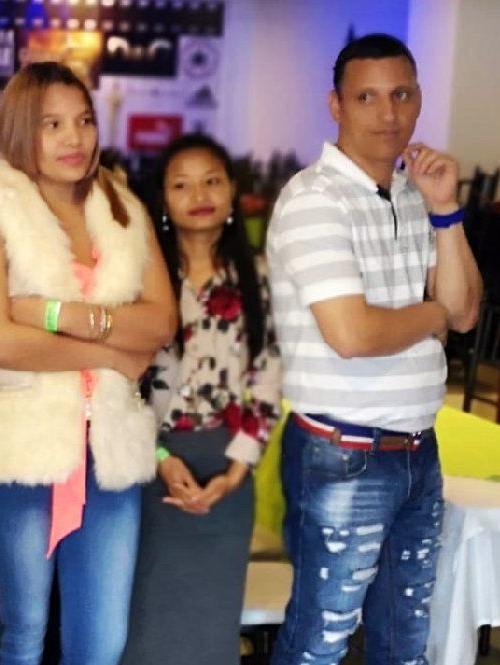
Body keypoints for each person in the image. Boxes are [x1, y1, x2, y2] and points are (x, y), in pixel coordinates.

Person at [0, 61, 177, 665]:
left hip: (108, 446)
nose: (73, 138)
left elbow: (160, 321)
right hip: (18, 446)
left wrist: (56, 315)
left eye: (83, 121)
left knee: (102, 640)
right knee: (23, 628)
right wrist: (109, 349)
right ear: (21, 128)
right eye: (52, 124)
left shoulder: (120, 206)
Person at [266, 34, 481, 664]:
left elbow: (466, 312)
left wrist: (446, 212)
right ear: (335, 105)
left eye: (401, 95)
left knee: (404, 644)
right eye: (367, 97)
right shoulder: (313, 200)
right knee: (318, 645)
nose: (388, 114)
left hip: (419, 449)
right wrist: (435, 313)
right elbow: (353, 334)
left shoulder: (416, 196)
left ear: (418, 101)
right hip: (343, 454)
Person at [121, 133, 282, 665]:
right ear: (162, 199)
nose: (199, 194)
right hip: (151, 466)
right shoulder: (141, 280)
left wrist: (236, 472)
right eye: (182, 184)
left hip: (227, 469)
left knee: (212, 626)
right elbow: (121, 383)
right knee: (147, 621)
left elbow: (269, 378)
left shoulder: (258, 276)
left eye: (211, 180)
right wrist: (160, 460)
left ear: (233, 190)